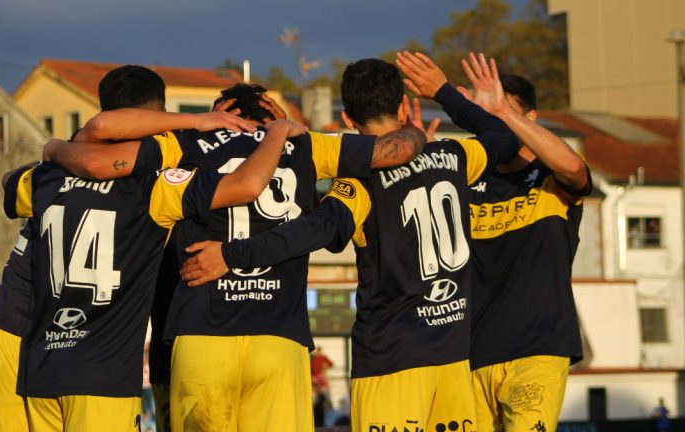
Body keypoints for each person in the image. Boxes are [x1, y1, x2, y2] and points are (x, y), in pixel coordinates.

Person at [59, 82, 428, 431]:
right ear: (274, 118)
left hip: (201, 336)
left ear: (220, 116)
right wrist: (416, 131)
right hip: (278, 339)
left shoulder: (186, 141)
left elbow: (101, 141)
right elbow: (391, 151)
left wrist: (194, 122)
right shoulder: (307, 145)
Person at [179, 55, 519, 431]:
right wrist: (443, 92)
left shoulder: (359, 185)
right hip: (454, 354)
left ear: (346, 120)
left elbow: (311, 231)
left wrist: (233, 254)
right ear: (404, 105)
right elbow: (503, 136)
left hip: (392, 358)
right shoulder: (453, 157)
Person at [0, 64, 254, 432]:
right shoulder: (160, 159)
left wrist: (54, 150)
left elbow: (12, 181)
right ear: (156, 116)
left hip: (15, 338)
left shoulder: (61, 163)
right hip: (55, 349)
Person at [453, 53, 591, 432]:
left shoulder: (552, 175)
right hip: (472, 354)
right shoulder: (467, 182)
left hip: (538, 349)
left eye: (506, 114)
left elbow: (575, 168)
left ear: (531, 119)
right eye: (486, 118)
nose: (494, 125)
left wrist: (502, 113)